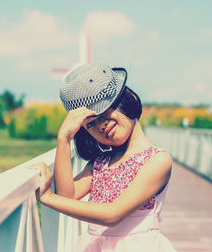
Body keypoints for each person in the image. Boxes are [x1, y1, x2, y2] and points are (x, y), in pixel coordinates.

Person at [30, 63, 176, 252]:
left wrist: (47, 197)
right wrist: (64, 139)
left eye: (104, 111)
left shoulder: (157, 161)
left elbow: (113, 214)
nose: (101, 125)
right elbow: (67, 196)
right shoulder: (101, 163)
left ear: (127, 99)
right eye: (90, 124)